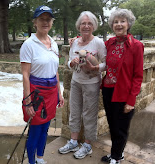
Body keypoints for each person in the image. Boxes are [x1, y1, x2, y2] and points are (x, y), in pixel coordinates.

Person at [58, 11, 106, 159]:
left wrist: (95, 68)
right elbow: (69, 61)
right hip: (76, 81)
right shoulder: (76, 42)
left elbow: (106, 63)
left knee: (89, 115)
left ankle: (87, 145)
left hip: (91, 83)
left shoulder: (98, 42)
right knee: (74, 111)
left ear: (94, 26)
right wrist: (71, 63)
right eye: (83, 23)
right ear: (79, 26)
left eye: (89, 23)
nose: (86, 26)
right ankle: (73, 141)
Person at [20, 5, 64, 164]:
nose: (45, 22)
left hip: (52, 92)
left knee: (45, 128)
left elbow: (55, 71)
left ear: (51, 22)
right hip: (36, 93)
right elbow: (25, 74)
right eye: (41, 19)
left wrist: (60, 93)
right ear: (35, 22)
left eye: (48, 19)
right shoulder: (28, 44)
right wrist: (28, 101)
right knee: (35, 130)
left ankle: (40, 158)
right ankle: (31, 161)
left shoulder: (54, 43)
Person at [101, 9, 144, 164]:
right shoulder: (109, 43)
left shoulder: (136, 46)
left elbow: (138, 76)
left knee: (121, 128)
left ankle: (117, 157)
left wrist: (131, 101)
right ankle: (115, 154)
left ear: (128, 24)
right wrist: (77, 40)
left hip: (123, 93)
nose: (118, 24)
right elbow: (94, 47)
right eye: (116, 22)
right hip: (107, 91)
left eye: (122, 21)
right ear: (112, 25)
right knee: (112, 126)